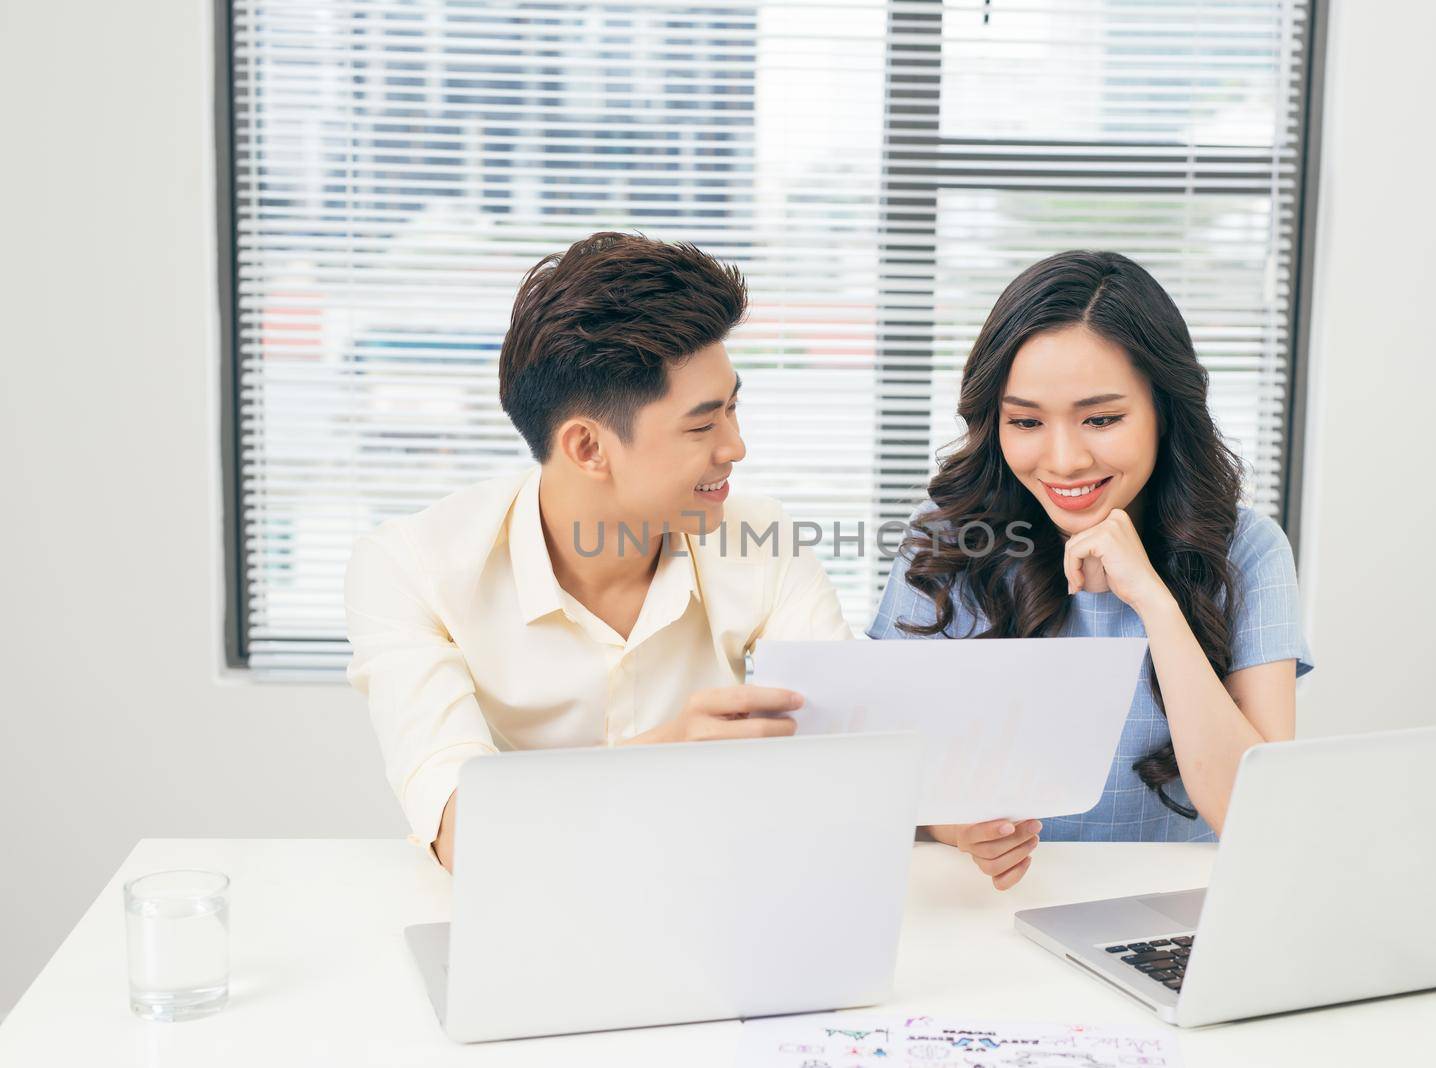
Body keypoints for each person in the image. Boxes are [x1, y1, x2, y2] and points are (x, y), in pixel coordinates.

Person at [345, 233, 852, 871]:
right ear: (588, 448)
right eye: (701, 425)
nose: (735, 447)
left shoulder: (762, 539)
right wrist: (665, 754)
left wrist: (946, 820)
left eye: (733, 409)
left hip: (718, 895)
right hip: (529, 911)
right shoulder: (410, 569)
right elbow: (464, 833)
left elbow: (846, 758)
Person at [868, 250, 1313, 890]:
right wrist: (957, 829)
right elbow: (886, 773)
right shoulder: (945, 540)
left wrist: (1154, 602)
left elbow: (1259, 815)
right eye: (1025, 421)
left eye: (1101, 419)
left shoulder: (1248, 549)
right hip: (991, 912)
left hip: (1174, 914)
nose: (1065, 459)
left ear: (1165, 408)